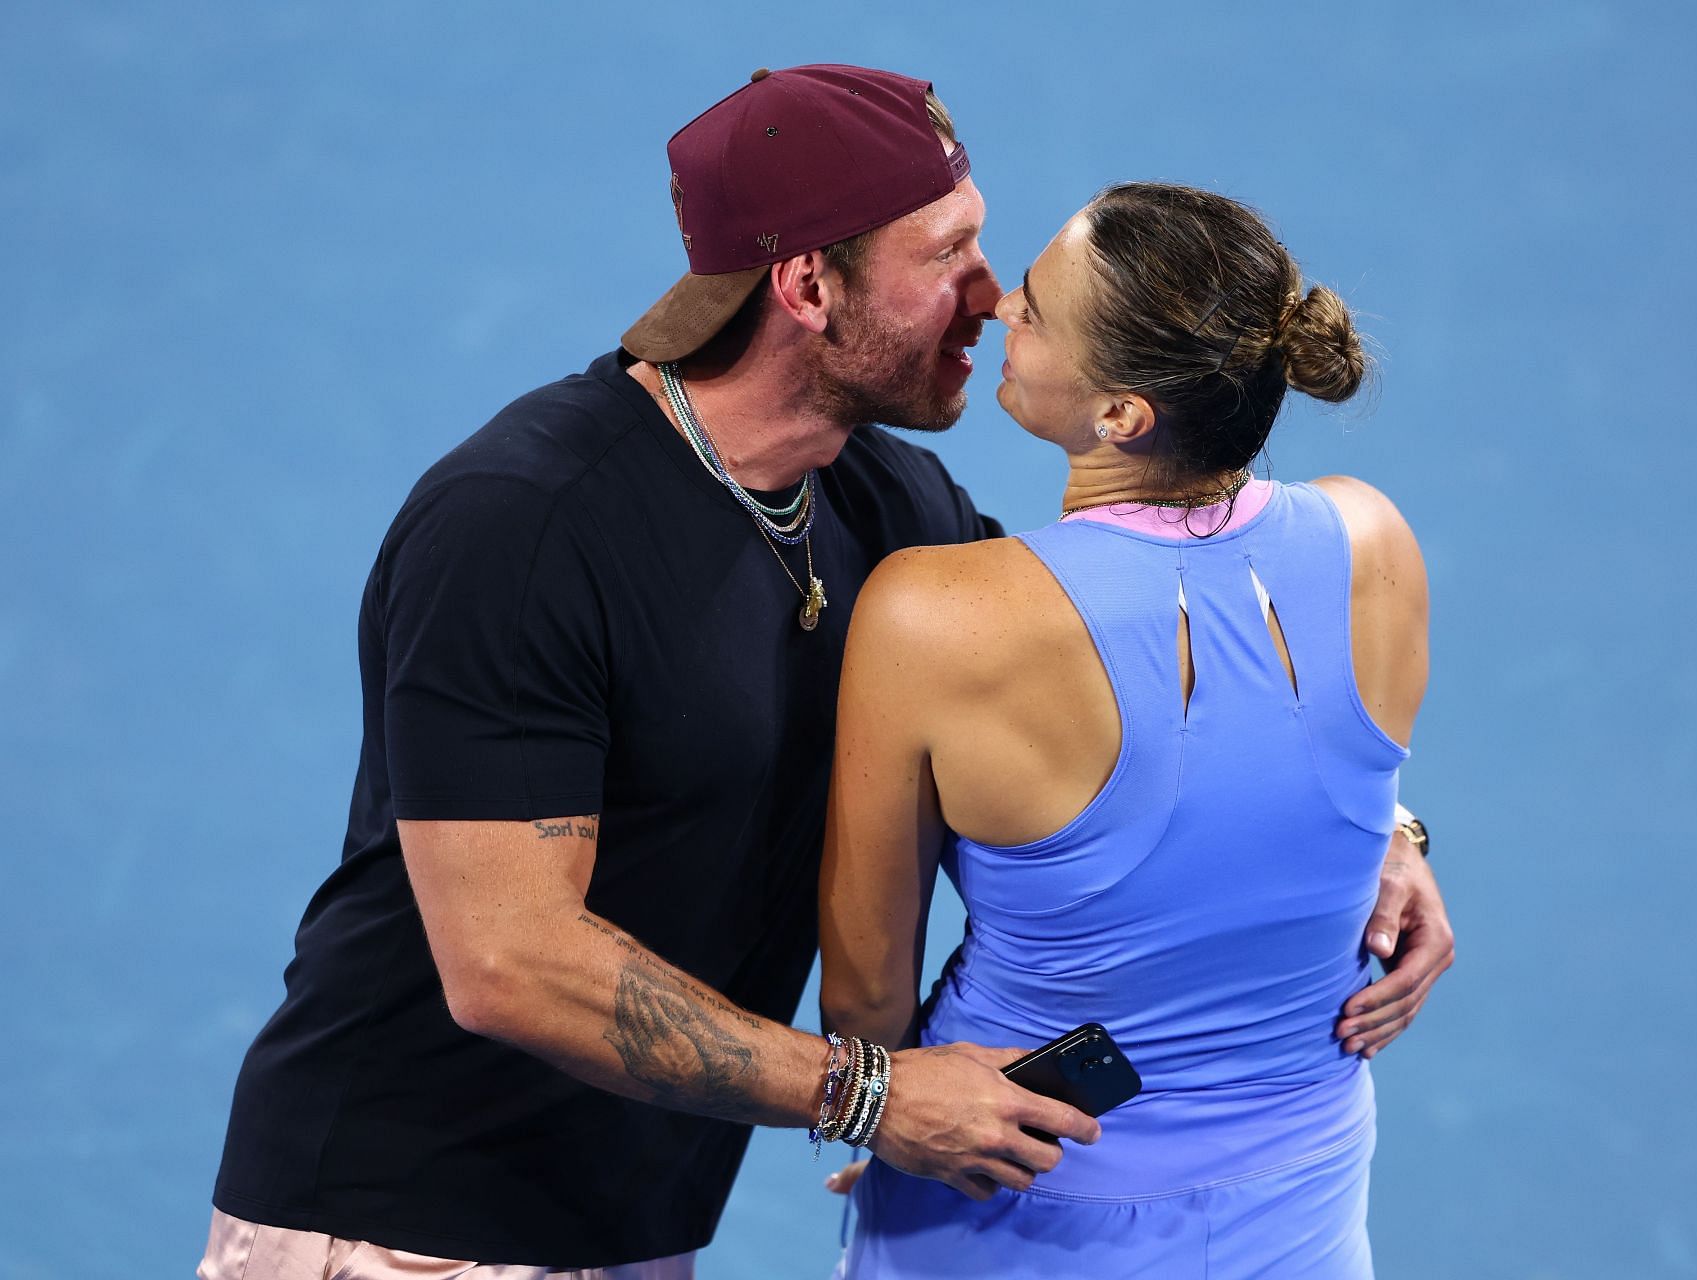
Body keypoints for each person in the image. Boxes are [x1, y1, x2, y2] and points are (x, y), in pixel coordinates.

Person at [201, 65, 1450, 1278]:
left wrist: (1374, 834)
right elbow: (508, 961)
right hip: (409, 1226)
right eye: (946, 254)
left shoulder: (887, 499)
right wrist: (871, 1092)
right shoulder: (522, 524)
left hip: (623, 1212)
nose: (989, 295)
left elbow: (1108, 679)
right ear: (807, 282)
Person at [819, 182, 1429, 1277]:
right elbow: (1318, 795)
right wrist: (1405, 838)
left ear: (1122, 416)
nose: (1001, 304)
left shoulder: (933, 616)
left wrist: (900, 1108)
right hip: (1301, 1218)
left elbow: (865, 998)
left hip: (1010, 1195)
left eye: (1039, 310)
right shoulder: (1373, 537)